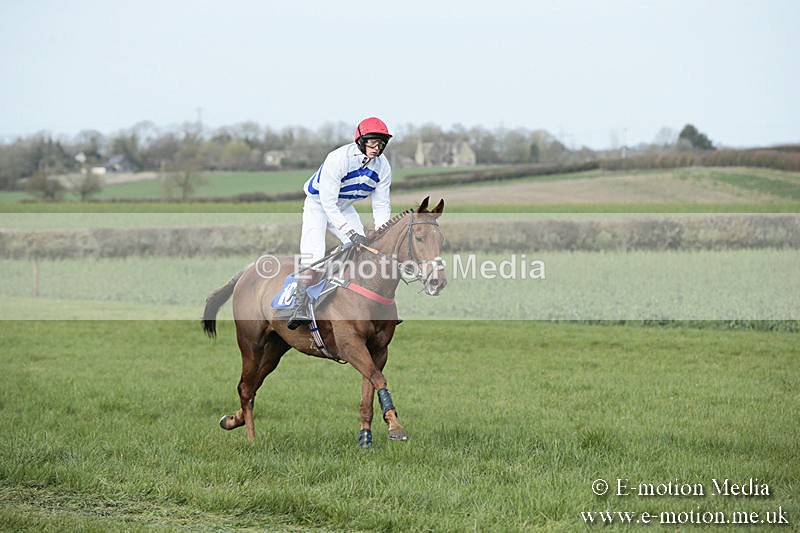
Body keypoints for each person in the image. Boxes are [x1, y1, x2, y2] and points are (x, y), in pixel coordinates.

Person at [287, 117, 393, 330]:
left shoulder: (383, 167)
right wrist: (349, 232)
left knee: (363, 250)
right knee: (314, 254)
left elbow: (381, 205)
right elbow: (328, 203)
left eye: (381, 143)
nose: (376, 147)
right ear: (361, 141)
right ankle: (298, 306)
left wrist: (383, 235)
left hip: (344, 206)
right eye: (372, 142)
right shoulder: (338, 159)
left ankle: (358, 300)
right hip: (319, 205)